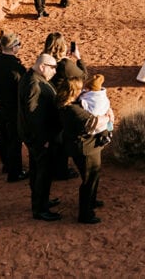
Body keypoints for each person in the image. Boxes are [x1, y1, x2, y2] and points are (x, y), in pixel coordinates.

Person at [18, 53, 61, 221]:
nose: (55, 72)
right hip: (39, 139)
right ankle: (40, 209)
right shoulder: (34, 84)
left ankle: (41, 201)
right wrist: (43, 140)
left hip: (34, 137)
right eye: (53, 68)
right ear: (42, 66)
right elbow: (33, 116)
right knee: (43, 172)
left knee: (37, 170)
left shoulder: (31, 77)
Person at [57, 76, 104, 225]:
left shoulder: (66, 104)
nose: (83, 90)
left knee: (93, 176)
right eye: (80, 88)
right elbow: (94, 123)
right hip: (86, 149)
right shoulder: (73, 110)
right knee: (89, 179)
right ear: (73, 91)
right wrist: (107, 117)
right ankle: (86, 214)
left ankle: (92, 201)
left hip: (81, 147)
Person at [0, 31, 26, 182]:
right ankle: (15, 172)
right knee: (14, 139)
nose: (19, 47)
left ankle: (6, 164)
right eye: (19, 45)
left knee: (3, 135)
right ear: (13, 47)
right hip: (13, 107)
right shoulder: (17, 68)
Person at [44, 32, 83, 180]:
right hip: (62, 103)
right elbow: (82, 76)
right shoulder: (65, 65)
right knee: (62, 139)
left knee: (53, 139)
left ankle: (53, 167)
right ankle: (61, 171)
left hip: (48, 103)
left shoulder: (45, 60)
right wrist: (78, 59)